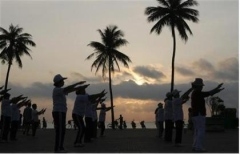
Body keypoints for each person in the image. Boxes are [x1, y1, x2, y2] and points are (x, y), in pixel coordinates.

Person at [52, 73, 86, 153]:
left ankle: (60, 147)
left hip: (61, 112)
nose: (63, 82)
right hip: (59, 112)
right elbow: (68, 88)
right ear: (59, 82)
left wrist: (78, 87)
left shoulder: (60, 90)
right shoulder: (57, 90)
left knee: (62, 130)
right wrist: (77, 84)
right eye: (62, 80)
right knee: (60, 131)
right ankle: (58, 149)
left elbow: (69, 90)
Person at [191, 78, 224, 152]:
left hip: (195, 114)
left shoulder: (195, 93)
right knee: (200, 131)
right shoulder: (197, 93)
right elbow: (208, 93)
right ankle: (198, 147)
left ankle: (195, 145)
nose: (202, 87)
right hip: (199, 114)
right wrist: (217, 89)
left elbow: (208, 93)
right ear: (198, 86)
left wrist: (216, 89)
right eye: (201, 86)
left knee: (197, 131)